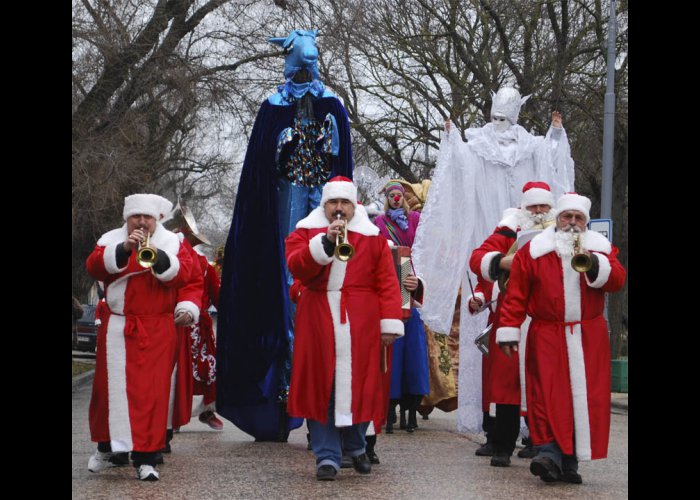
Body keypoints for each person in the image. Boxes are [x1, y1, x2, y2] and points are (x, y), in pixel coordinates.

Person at [216, 29, 354, 442]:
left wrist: (328, 148)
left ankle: (325, 416)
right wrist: (282, 143)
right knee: (283, 290)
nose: (303, 74)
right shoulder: (272, 108)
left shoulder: (332, 105)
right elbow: (260, 168)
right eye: (299, 66)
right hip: (283, 204)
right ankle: (277, 403)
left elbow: (342, 166)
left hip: (322, 203)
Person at [411, 86, 575, 433]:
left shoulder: (532, 147)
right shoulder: (478, 145)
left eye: (506, 118)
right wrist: (452, 142)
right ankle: (493, 421)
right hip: (489, 237)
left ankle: (534, 424)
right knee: (489, 342)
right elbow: (460, 169)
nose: (499, 125)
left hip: (530, 242)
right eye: (495, 117)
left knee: (531, 343)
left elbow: (554, 169)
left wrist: (556, 136)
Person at [495, 193, 626, 484]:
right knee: (549, 395)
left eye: (578, 218)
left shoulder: (600, 248)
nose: (572, 224)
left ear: (586, 223)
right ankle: (550, 452)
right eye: (567, 217)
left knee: (583, 398)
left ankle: (569, 462)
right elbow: (516, 295)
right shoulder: (534, 251)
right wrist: (509, 330)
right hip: (547, 333)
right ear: (558, 219)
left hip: (587, 336)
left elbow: (617, 280)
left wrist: (594, 263)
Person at [285, 176, 404, 481]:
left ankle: (355, 444)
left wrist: (388, 323)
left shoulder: (374, 237)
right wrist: (324, 242)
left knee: (358, 384)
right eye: (333, 203)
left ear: (354, 206)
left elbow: (388, 283)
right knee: (321, 385)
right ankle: (327, 455)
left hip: (361, 319)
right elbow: (296, 266)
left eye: (344, 203)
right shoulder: (304, 231)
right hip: (318, 317)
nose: (339, 209)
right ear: (324, 206)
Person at [85, 193, 195, 481]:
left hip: (157, 327)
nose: (142, 221)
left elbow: (187, 276)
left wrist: (159, 258)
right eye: (137, 216)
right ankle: (106, 448)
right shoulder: (110, 239)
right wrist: (123, 249)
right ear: (127, 218)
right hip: (117, 326)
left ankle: (146, 459)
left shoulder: (173, 243)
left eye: (147, 216)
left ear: (157, 218)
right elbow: (94, 266)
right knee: (107, 393)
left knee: (152, 395)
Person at [469, 181, 556, 466]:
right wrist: (507, 262)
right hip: (512, 316)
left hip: (546, 316)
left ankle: (543, 446)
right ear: (523, 208)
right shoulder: (508, 231)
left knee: (544, 383)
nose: (540, 211)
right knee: (507, 384)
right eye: (534, 206)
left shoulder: (563, 231)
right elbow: (478, 258)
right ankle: (502, 447)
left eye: (544, 206)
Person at [374, 180, 429, 436]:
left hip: (411, 289)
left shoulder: (417, 219)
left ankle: (412, 402)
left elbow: (427, 253)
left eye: (400, 194)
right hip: (387, 289)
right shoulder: (379, 224)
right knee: (391, 352)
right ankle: (389, 403)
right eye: (392, 195)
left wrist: (418, 282)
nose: (396, 198)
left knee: (414, 351)